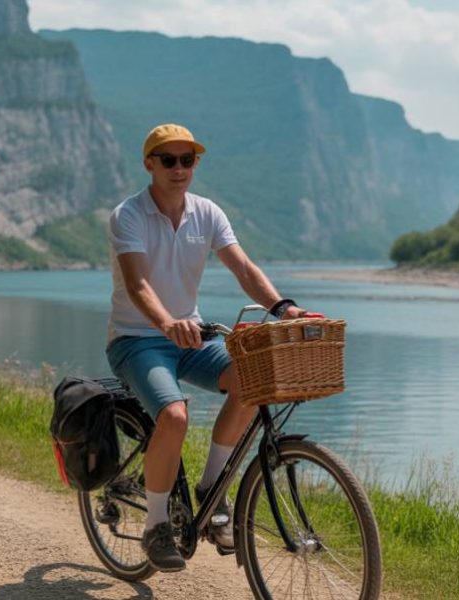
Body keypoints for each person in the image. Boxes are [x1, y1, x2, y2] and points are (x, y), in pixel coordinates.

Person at [106, 123, 309, 572]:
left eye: (188, 160)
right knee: (175, 416)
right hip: (137, 340)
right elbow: (137, 283)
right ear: (149, 164)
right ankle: (157, 526)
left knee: (252, 382)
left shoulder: (208, 213)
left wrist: (282, 307)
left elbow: (244, 267)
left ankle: (212, 487)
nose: (179, 169)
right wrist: (165, 323)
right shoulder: (130, 214)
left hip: (192, 336)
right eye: (168, 160)